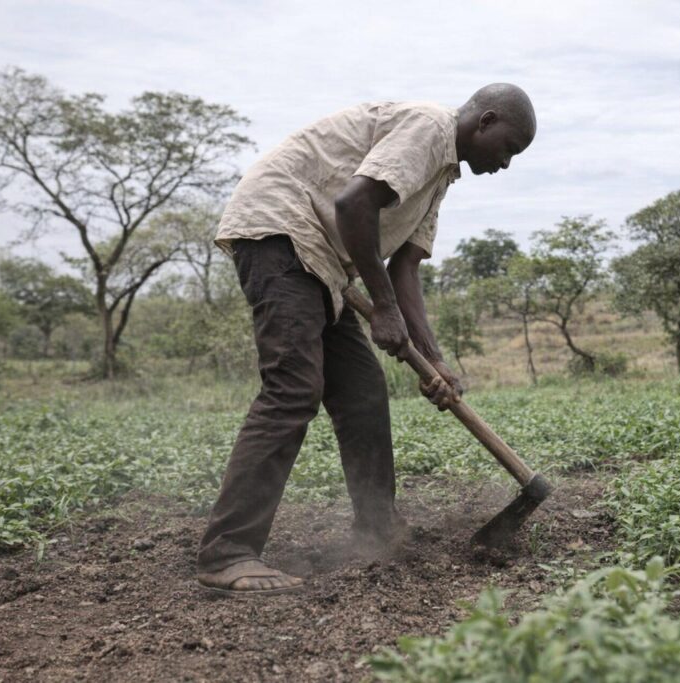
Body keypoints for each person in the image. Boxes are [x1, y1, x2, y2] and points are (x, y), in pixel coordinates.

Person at [195, 83, 536, 595]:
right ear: (485, 121)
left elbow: (404, 270)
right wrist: (382, 309)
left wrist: (433, 360)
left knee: (362, 393)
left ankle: (377, 529)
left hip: (323, 264)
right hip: (283, 232)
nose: (506, 164)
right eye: (509, 148)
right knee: (293, 387)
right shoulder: (429, 128)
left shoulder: (441, 174)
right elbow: (354, 204)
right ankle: (227, 553)